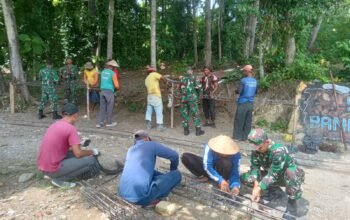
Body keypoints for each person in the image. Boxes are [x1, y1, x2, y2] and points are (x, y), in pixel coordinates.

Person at [241, 128, 305, 220]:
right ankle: (273, 189)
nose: (257, 150)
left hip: (284, 176)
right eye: (255, 147)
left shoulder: (278, 151)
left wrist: (260, 186)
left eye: (259, 147)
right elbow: (255, 168)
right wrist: (256, 185)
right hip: (271, 174)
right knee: (246, 178)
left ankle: (292, 207)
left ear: (266, 142)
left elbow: (274, 173)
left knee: (292, 173)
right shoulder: (256, 150)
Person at [37, 103, 100, 188]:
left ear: (63, 114)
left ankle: (53, 175)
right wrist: (92, 151)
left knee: (77, 154)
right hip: (52, 169)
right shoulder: (71, 128)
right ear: (75, 115)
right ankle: (60, 179)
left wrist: (79, 145)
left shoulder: (55, 124)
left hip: (43, 167)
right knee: (91, 160)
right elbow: (78, 153)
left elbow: (63, 147)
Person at [118, 130, 181, 207]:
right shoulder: (151, 144)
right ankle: (150, 200)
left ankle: (147, 192)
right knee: (177, 175)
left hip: (122, 193)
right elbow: (174, 155)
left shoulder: (130, 150)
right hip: (140, 198)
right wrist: (173, 170)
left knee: (151, 171)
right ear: (146, 138)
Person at [233, 64, 257, 141]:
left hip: (243, 102)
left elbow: (239, 91)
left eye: (244, 71)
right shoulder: (255, 81)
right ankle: (245, 137)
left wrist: (236, 91)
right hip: (251, 103)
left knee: (239, 119)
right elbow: (256, 91)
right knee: (248, 121)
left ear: (247, 71)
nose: (244, 72)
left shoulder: (243, 80)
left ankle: (237, 137)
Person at [178, 67, 204, 136]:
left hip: (184, 99)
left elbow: (179, 89)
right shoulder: (194, 78)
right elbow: (198, 88)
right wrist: (198, 96)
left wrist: (183, 95)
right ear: (191, 71)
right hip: (192, 99)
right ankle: (198, 131)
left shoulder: (182, 79)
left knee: (184, 114)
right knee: (195, 114)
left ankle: (186, 131)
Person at [96, 60, 120, 128]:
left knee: (102, 107)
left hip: (102, 91)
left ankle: (99, 123)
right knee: (109, 107)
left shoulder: (102, 72)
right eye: (114, 67)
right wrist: (117, 88)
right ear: (112, 67)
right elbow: (116, 85)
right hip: (109, 91)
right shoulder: (113, 73)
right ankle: (109, 123)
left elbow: (101, 81)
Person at [145, 66, 169, 131]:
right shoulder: (154, 74)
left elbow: (149, 88)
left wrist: (160, 90)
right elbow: (162, 77)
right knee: (159, 110)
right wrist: (166, 82)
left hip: (149, 96)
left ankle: (148, 125)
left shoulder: (147, 78)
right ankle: (159, 126)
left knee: (149, 110)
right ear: (153, 71)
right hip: (156, 96)